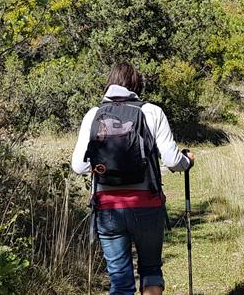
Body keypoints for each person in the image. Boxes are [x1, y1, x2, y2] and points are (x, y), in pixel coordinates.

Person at [71, 62, 195, 295]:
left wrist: (104, 166)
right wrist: (188, 161)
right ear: (137, 85)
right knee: (151, 270)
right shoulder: (152, 112)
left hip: (107, 208)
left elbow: (78, 166)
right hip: (147, 205)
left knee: (119, 280)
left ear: (109, 83)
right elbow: (172, 160)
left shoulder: (93, 115)